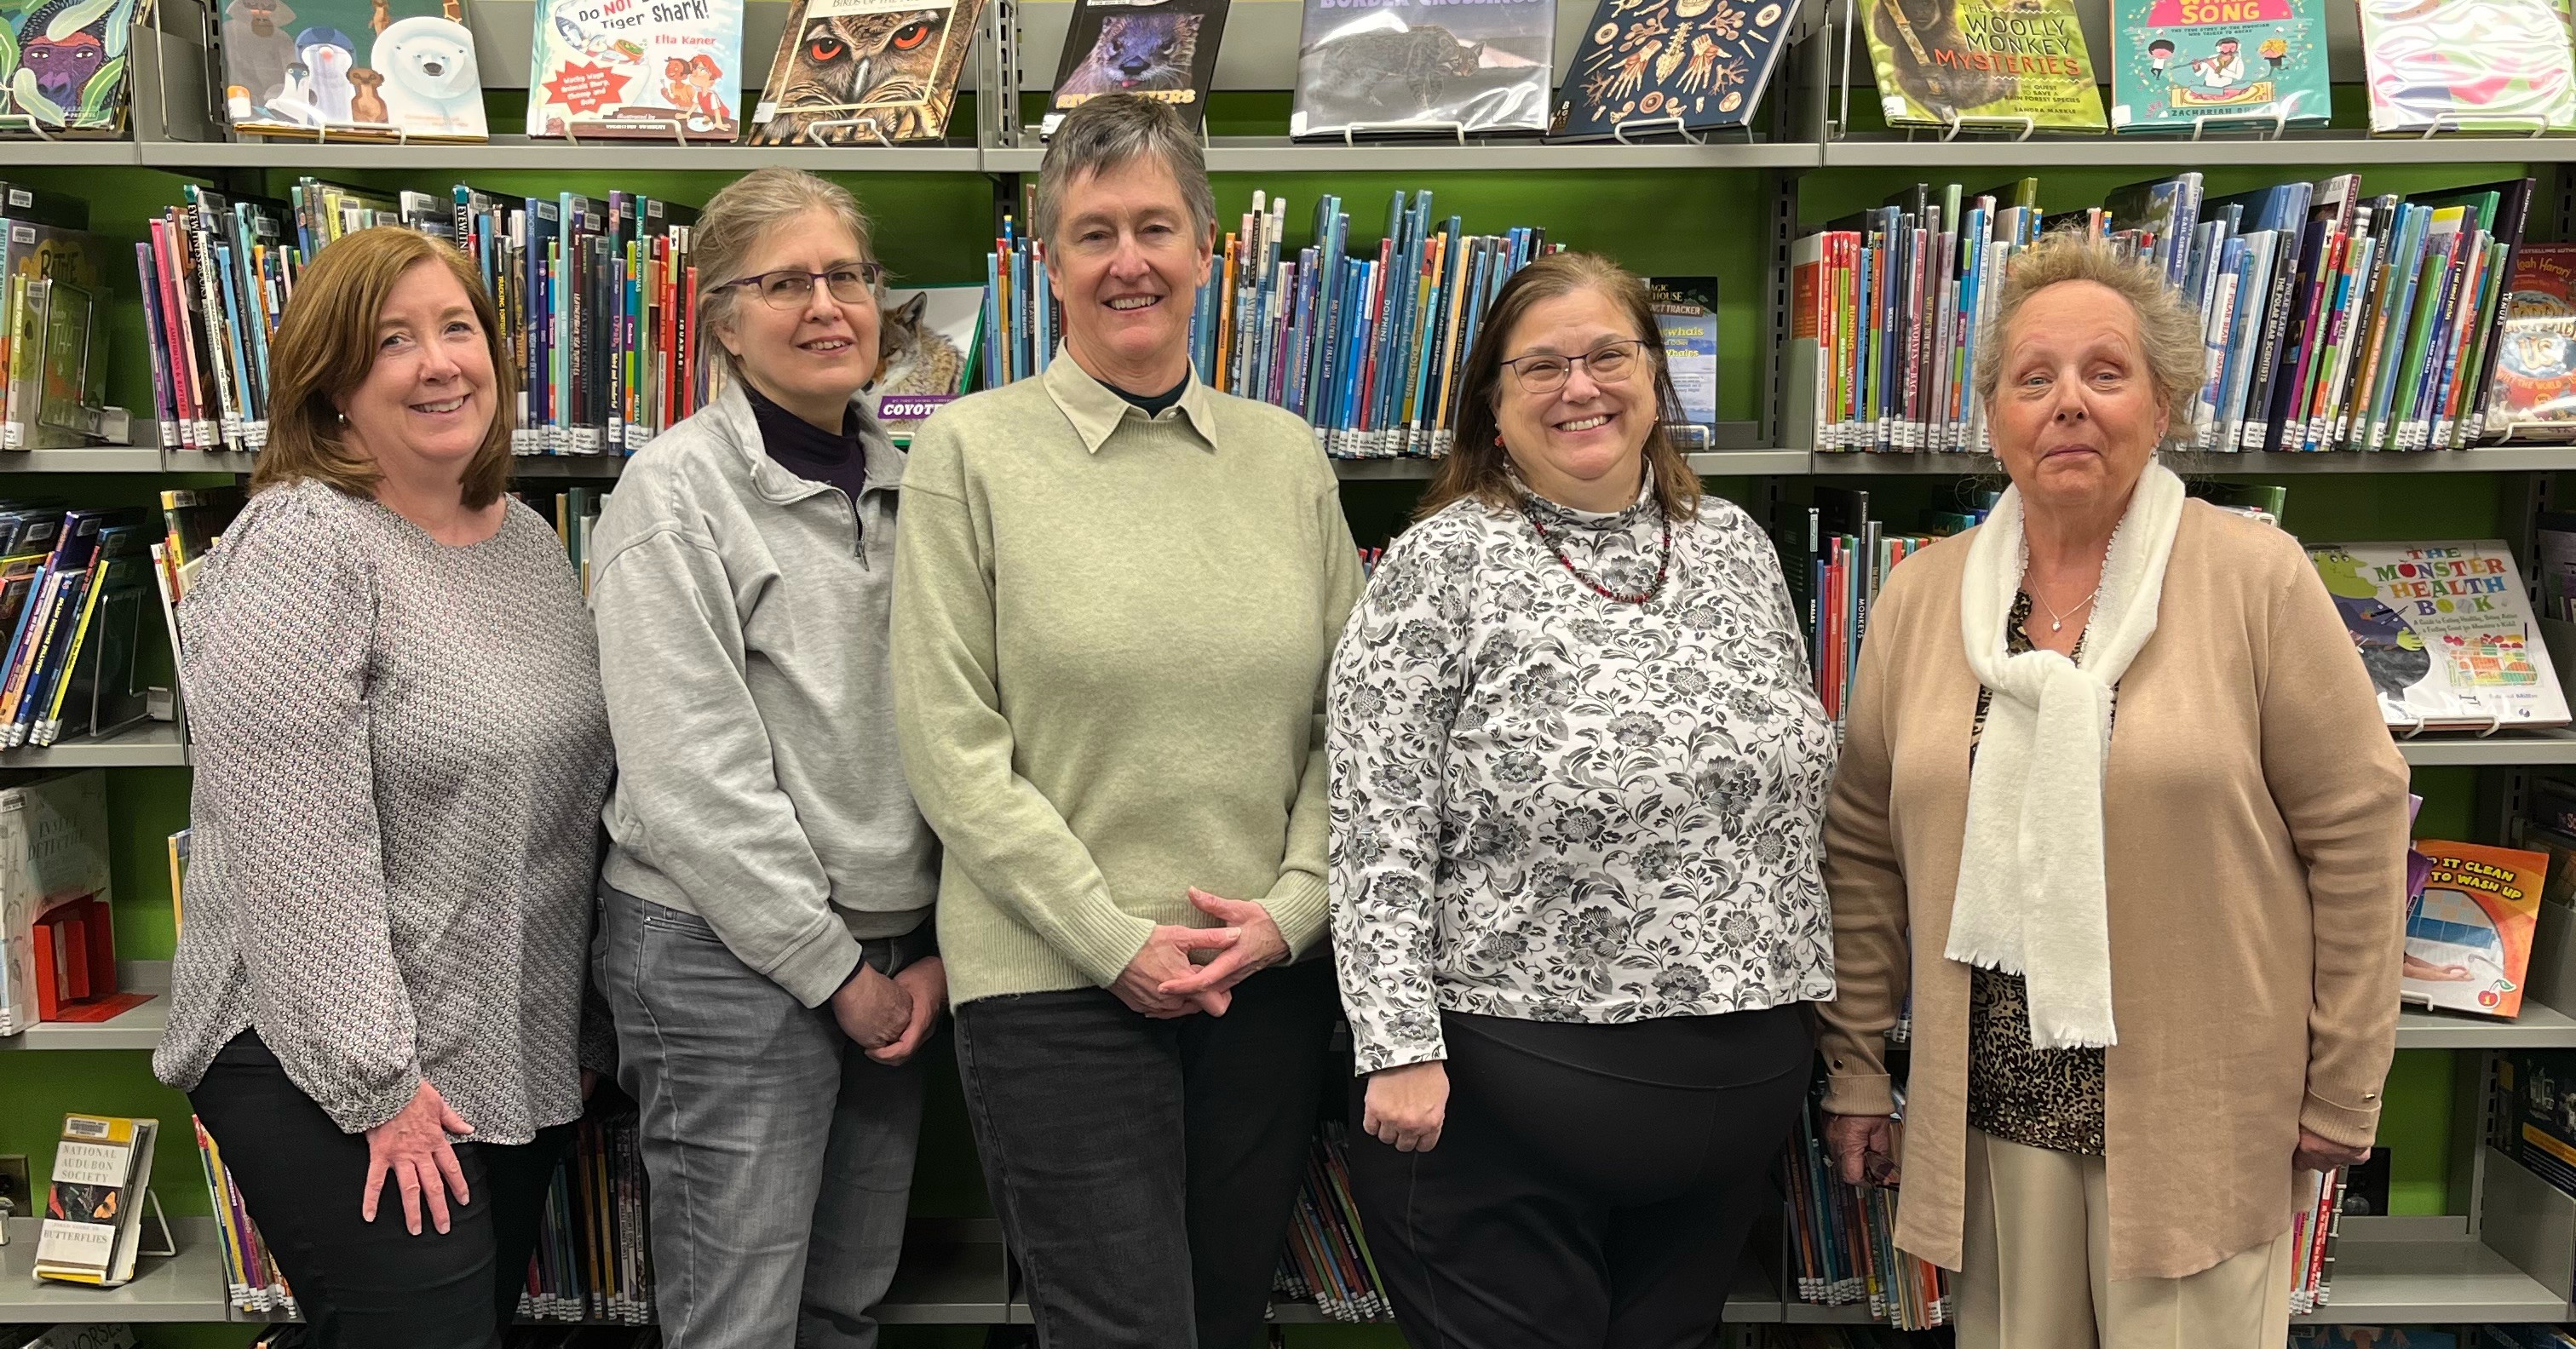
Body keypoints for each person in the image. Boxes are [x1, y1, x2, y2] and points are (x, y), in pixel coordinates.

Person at [1818, 233, 2411, 1348]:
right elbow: (1860, 849)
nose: (2069, 405)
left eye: (2107, 372)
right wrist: (1855, 1064)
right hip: (1995, 1115)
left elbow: (2361, 832)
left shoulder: (2254, 578)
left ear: (2167, 400)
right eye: (2034, 378)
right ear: (1992, 411)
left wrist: (2344, 1084)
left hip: (2203, 1114)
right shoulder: (1922, 599)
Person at [889, 92, 1363, 1349]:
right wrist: (1112, 940)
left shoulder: (1285, 455)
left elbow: (1350, 721)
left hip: (1256, 977)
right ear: (1046, 265)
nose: (1128, 261)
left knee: (1218, 1322)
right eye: (1093, 234)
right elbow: (950, 741)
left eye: (1156, 227)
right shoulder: (968, 454)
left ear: (1211, 250)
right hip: (1053, 982)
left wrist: (1297, 908)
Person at [1325, 251, 1837, 1349]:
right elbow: (1377, 826)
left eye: (1609, 355)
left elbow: (1794, 804)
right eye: (1541, 368)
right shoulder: (1437, 567)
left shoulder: (1737, 549)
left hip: (1733, 1107)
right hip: (1502, 1114)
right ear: (1493, 411)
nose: (1581, 387)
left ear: (1656, 380)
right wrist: (1396, 1045)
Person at [153, 226, 613, 1349]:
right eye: (392, 342)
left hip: (502, 1047)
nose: (440, 363)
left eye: (458, 328)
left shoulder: (528, 547)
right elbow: (293, 855)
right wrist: (378, 1089)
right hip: (323, 1060)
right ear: (331, 390)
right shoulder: (302, 546)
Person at [586, 165, 942, 1349]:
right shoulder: (672, 495)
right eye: (784, 283)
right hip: (724, 957)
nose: (827, 305)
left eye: (847, 276)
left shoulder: (917, 484)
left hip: (893, 954)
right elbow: (693, 778)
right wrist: (836, 972)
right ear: (722, 323)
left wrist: (930, 948)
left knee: (844, 1303)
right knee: (737, 1323)